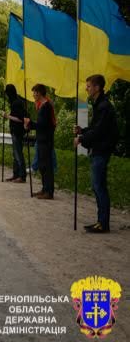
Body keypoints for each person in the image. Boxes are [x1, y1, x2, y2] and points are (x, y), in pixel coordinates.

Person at [74, 74, 118, 233]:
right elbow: (94, 128)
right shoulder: (99, 105)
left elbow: (99, 131)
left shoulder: (104, 106)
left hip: (102, 150)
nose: (87, 88)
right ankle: (101, 221)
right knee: (97, 185)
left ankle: (103, 223)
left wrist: (81, 138)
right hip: (99, 149)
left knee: (99, 186)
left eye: (89, 86)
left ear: (97, 87)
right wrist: (82, 131)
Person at [24, 84, 56, 199]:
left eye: (34, 92)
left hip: (46, 139)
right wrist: (31, 124)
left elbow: (44, 125)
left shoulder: (46, 106)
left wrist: (30, 123)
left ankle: (49, 191)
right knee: (42, 165)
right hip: (42, 138)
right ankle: (44, 189)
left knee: (47, 166)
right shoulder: (41, 105)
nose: (33, 95)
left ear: (39, 93)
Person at [3, 84, 27, 183]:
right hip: (15, 130)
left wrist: (7, 116)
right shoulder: (17, 101)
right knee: (15, 153)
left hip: (17, 131)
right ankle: (16, 174)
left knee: (18, 154)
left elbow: (20, 119)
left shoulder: (16, 103)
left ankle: (22, 175)